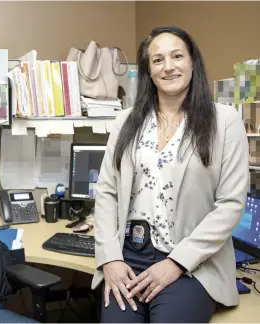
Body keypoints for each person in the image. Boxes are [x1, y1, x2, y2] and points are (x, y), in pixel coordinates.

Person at [91, 25, 249, 323]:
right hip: (129, 256)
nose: (168, 67)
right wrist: (110, 257)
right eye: (158, 59)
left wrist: (177, 262)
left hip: (192, 263)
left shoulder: (224, 122)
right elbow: (107, 192)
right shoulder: (126, 121)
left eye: (177, 56)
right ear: (148, 71)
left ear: (192, 62)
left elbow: (230, 204)